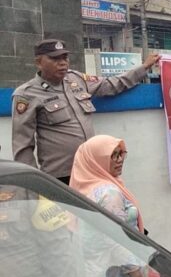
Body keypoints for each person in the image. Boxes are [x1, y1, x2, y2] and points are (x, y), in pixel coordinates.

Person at [12, 39, 161, 184]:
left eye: (65, 57)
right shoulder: (26, 95)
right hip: (61, 176)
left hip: (92, 168)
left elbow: (110, 84)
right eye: (55, 59)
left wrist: (144, 67)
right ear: (39, 63)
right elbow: (23, 146)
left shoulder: (76, 79)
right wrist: (34, 184)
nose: (63, 62)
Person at [71, 135, 156, 277]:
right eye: (113, 156)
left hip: (100, 274)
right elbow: (118, 239)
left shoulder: (89, 187)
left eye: (121, 154)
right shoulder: (109, 194)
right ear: (96, 160)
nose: (119, 160)